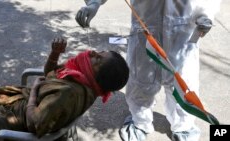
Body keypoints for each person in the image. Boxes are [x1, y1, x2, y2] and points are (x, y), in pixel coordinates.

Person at [75, 0, 221, 141]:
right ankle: (140, 122)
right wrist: (94, 3)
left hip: (182, 34)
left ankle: (184, 126)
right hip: (145, 31)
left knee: (183, 84)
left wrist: (206, 14)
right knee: (141, 83)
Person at [0, 38, 129, 140]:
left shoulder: (68, 93)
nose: (92, 53)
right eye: (100, 52)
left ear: (99, 76)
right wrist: (55, 53)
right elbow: (49, 74)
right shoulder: (81, 77)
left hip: (17, 120)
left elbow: (34, 124)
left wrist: (33, 92)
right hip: (23, 103)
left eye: (98, 59)